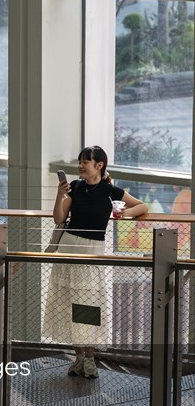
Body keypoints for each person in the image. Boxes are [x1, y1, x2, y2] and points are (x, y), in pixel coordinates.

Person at [45, 145, 147, 379]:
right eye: (80, 161)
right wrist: (60, 194)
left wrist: (124, 214)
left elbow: (141, 206)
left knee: (87, 305)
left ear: (99, 165)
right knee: (69, 304)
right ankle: (79, 358)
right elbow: (59, 218)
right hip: (68, 248)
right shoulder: (75, 187)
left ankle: (90, 359)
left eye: (85, 162)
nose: (80, 166)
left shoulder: (110, 190)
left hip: (91, 250)